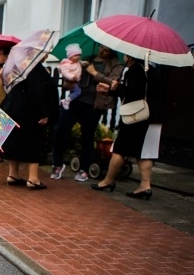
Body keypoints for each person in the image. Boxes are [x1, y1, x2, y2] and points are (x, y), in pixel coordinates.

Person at [90, 55, 163, 199]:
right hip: (153, 116)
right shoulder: (152, 70)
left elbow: (133, 93)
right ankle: (145, 186)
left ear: (130, 56)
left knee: (119, 148)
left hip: (136, 117)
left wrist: (116, 88)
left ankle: (107, 181)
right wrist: (113, 89)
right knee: (145, 152)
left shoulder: (134, 70)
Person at [50, 44, 121, 182]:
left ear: (112, 51)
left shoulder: (116, 64)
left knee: (87, 137)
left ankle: (83, 169)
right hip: (75, 101)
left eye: (106, 49)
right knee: (60, 130)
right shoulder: (87, 59)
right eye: (101, 47)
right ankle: (57, 164)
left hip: (95, 105)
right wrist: (68, 81)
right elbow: (70, 74)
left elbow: (113, 83)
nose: (102, 51)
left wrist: (94, 72)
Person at [0, 57, 53, 190]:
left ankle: (13, 175)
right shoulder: (35, 68)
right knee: (34, 142)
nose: (47, 54)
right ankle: (33, 179)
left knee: (14, 142)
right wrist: (43, 113)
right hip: (29, 113)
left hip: (13, 108)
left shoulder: (18, 66)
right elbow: (36, 92)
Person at [58, 44, 84, 110]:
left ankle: (68, 101)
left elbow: (81, 63)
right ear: (70, 56)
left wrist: (85, 63)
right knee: (78, 92)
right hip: (71, 81)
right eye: (76, 55)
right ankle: (66, 101)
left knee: (74, 92)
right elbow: (65, 73)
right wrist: (72, 77)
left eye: (79, 55)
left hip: (76, 81)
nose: (78, 57)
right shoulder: (66, 64)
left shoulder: (77, 62)